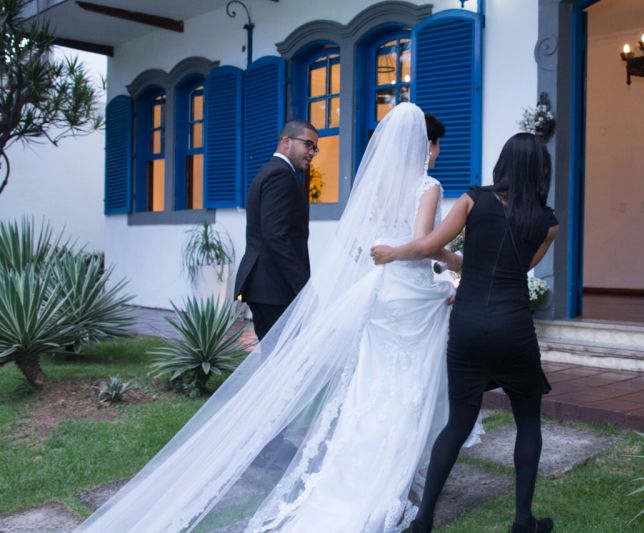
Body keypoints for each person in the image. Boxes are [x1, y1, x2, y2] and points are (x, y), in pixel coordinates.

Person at [76, 103, 469, 533]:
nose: (313, 153)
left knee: (364, 382)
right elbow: (287, 239)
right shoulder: (409, 186)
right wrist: (309, 291)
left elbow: (355, 240)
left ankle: (317, 455)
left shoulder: (367, 186)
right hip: (331, 289)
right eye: (309, 145)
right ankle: (275, 445)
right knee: (308, 373)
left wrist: (377, 261)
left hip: (377, 293)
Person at [371, 132, 559, 533]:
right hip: (513, 328)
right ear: (542, 171)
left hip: (469, 324)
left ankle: (423, 521)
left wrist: (392, 253)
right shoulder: (549, 224)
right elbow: (517, 268)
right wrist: (467, 265)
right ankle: (523, 522)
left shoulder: (474, 200)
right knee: (528, 423)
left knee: (457, 422)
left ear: (503, 164)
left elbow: (428, 246)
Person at [234, 120, 319, 340]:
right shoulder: (280, 175)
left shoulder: (270, 171)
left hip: (268, 287)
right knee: (284, 356)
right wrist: (304, 287)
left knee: (276, 357)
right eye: (308, 144)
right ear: (286, 142)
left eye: (315, 148)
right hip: (274, 288)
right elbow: (275, 236)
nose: (312, 152)